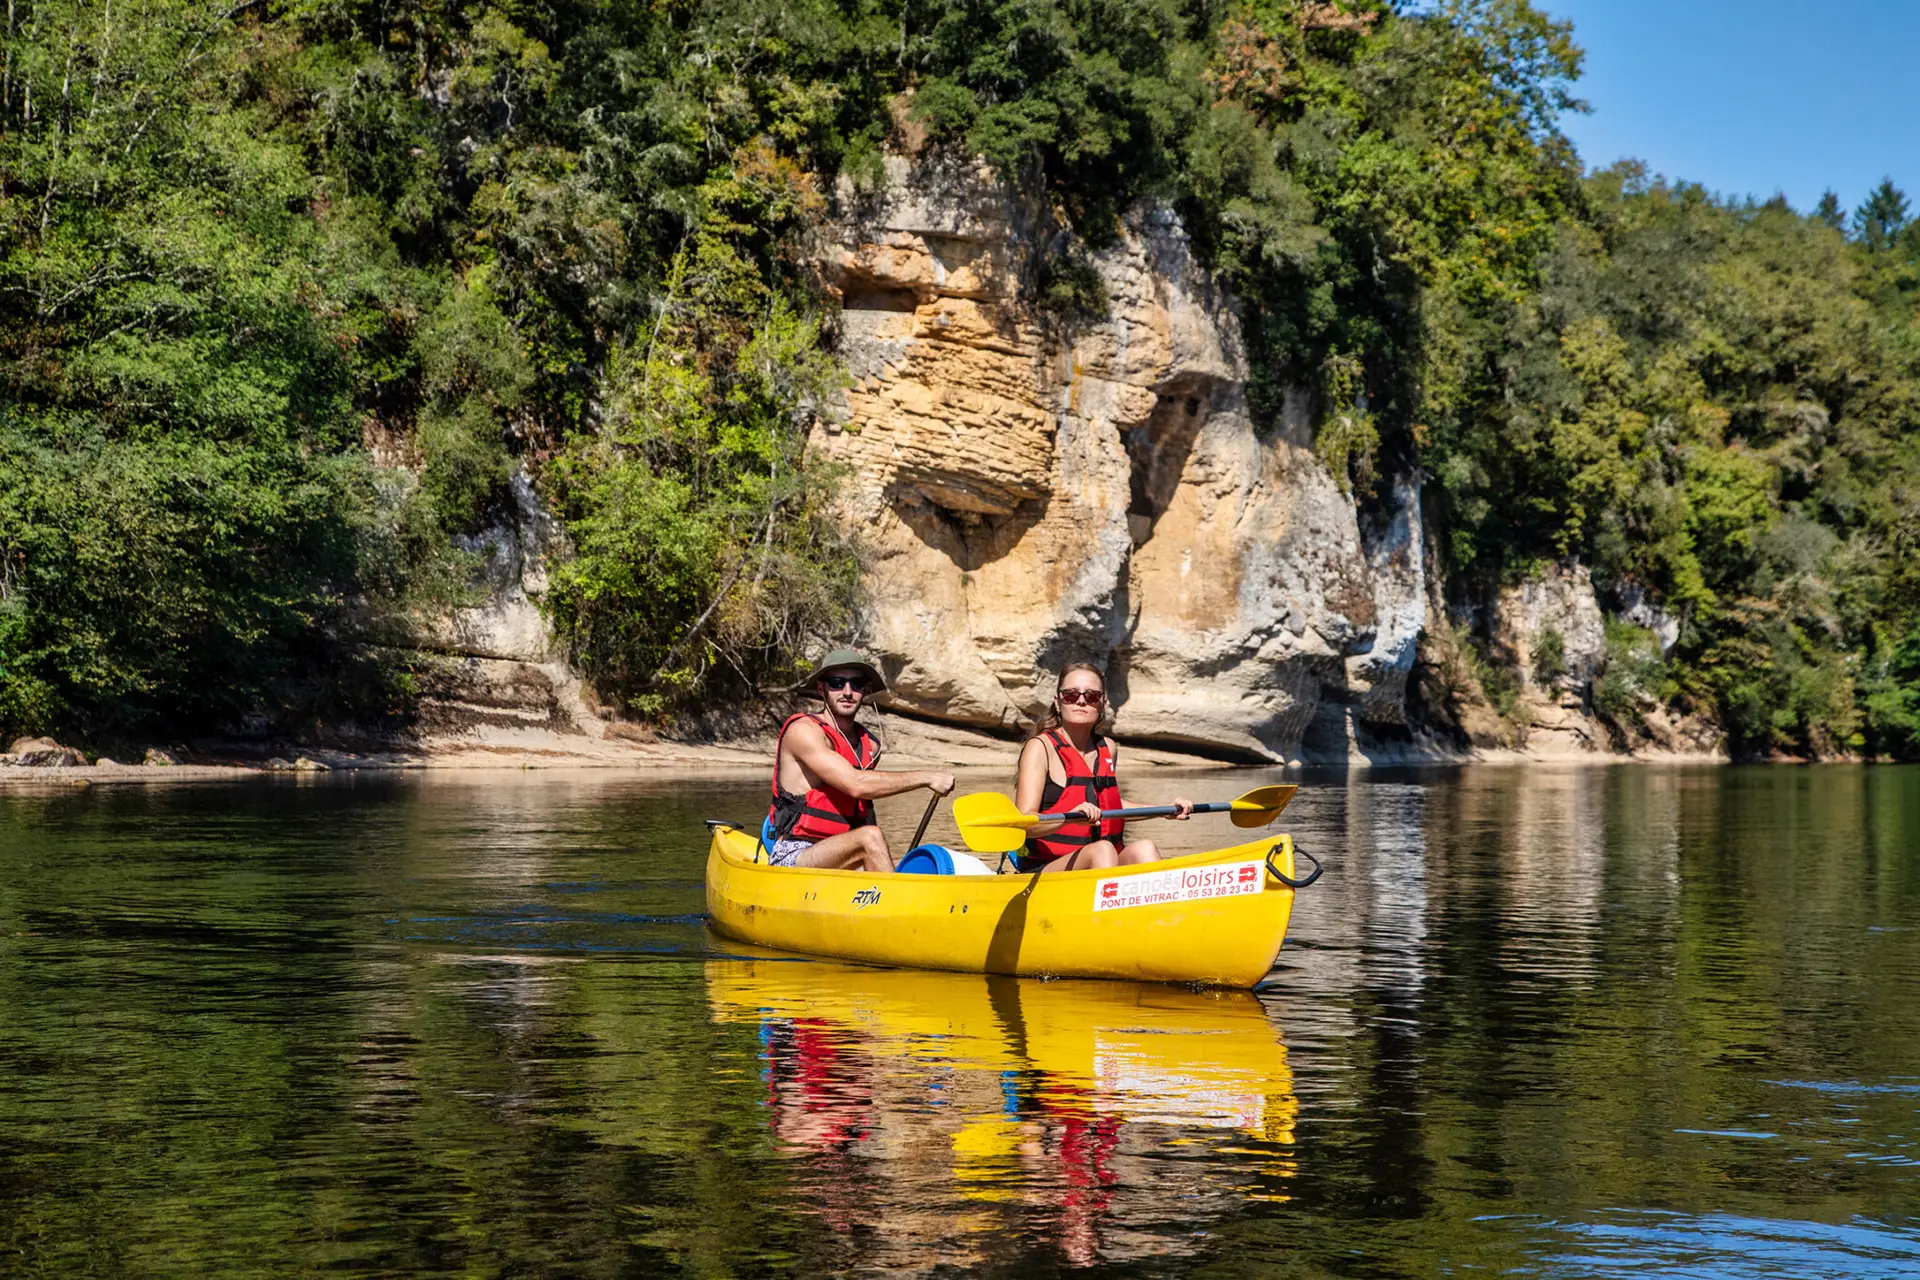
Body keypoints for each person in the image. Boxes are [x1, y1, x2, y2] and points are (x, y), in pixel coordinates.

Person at [766, 648, 954, 873]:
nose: (847, 692)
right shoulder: (803, 731)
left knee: (911, 860)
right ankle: (895, 906)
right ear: (821, 688)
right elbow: (856, 785)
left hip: (844, 856)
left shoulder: (870, 746)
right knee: (870, 838)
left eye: (856, 684)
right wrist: (927, 777)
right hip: (794, 855)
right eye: (836, 683)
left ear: (865, 690)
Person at [1013, 663, 1190, 873]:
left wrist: (1165, 809)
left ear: (1103, 703)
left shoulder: (1108, 748)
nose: (1080, 701)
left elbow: (1111, 805)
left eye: (1091, 696)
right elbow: (1024, 823)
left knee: (1145, 848)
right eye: (1070, 695)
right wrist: (1068, 817)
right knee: (1103, 850)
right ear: (1058, 703)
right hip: (1047, 868)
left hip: (1100, 861)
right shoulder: (1040, 747)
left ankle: (1163, 905)